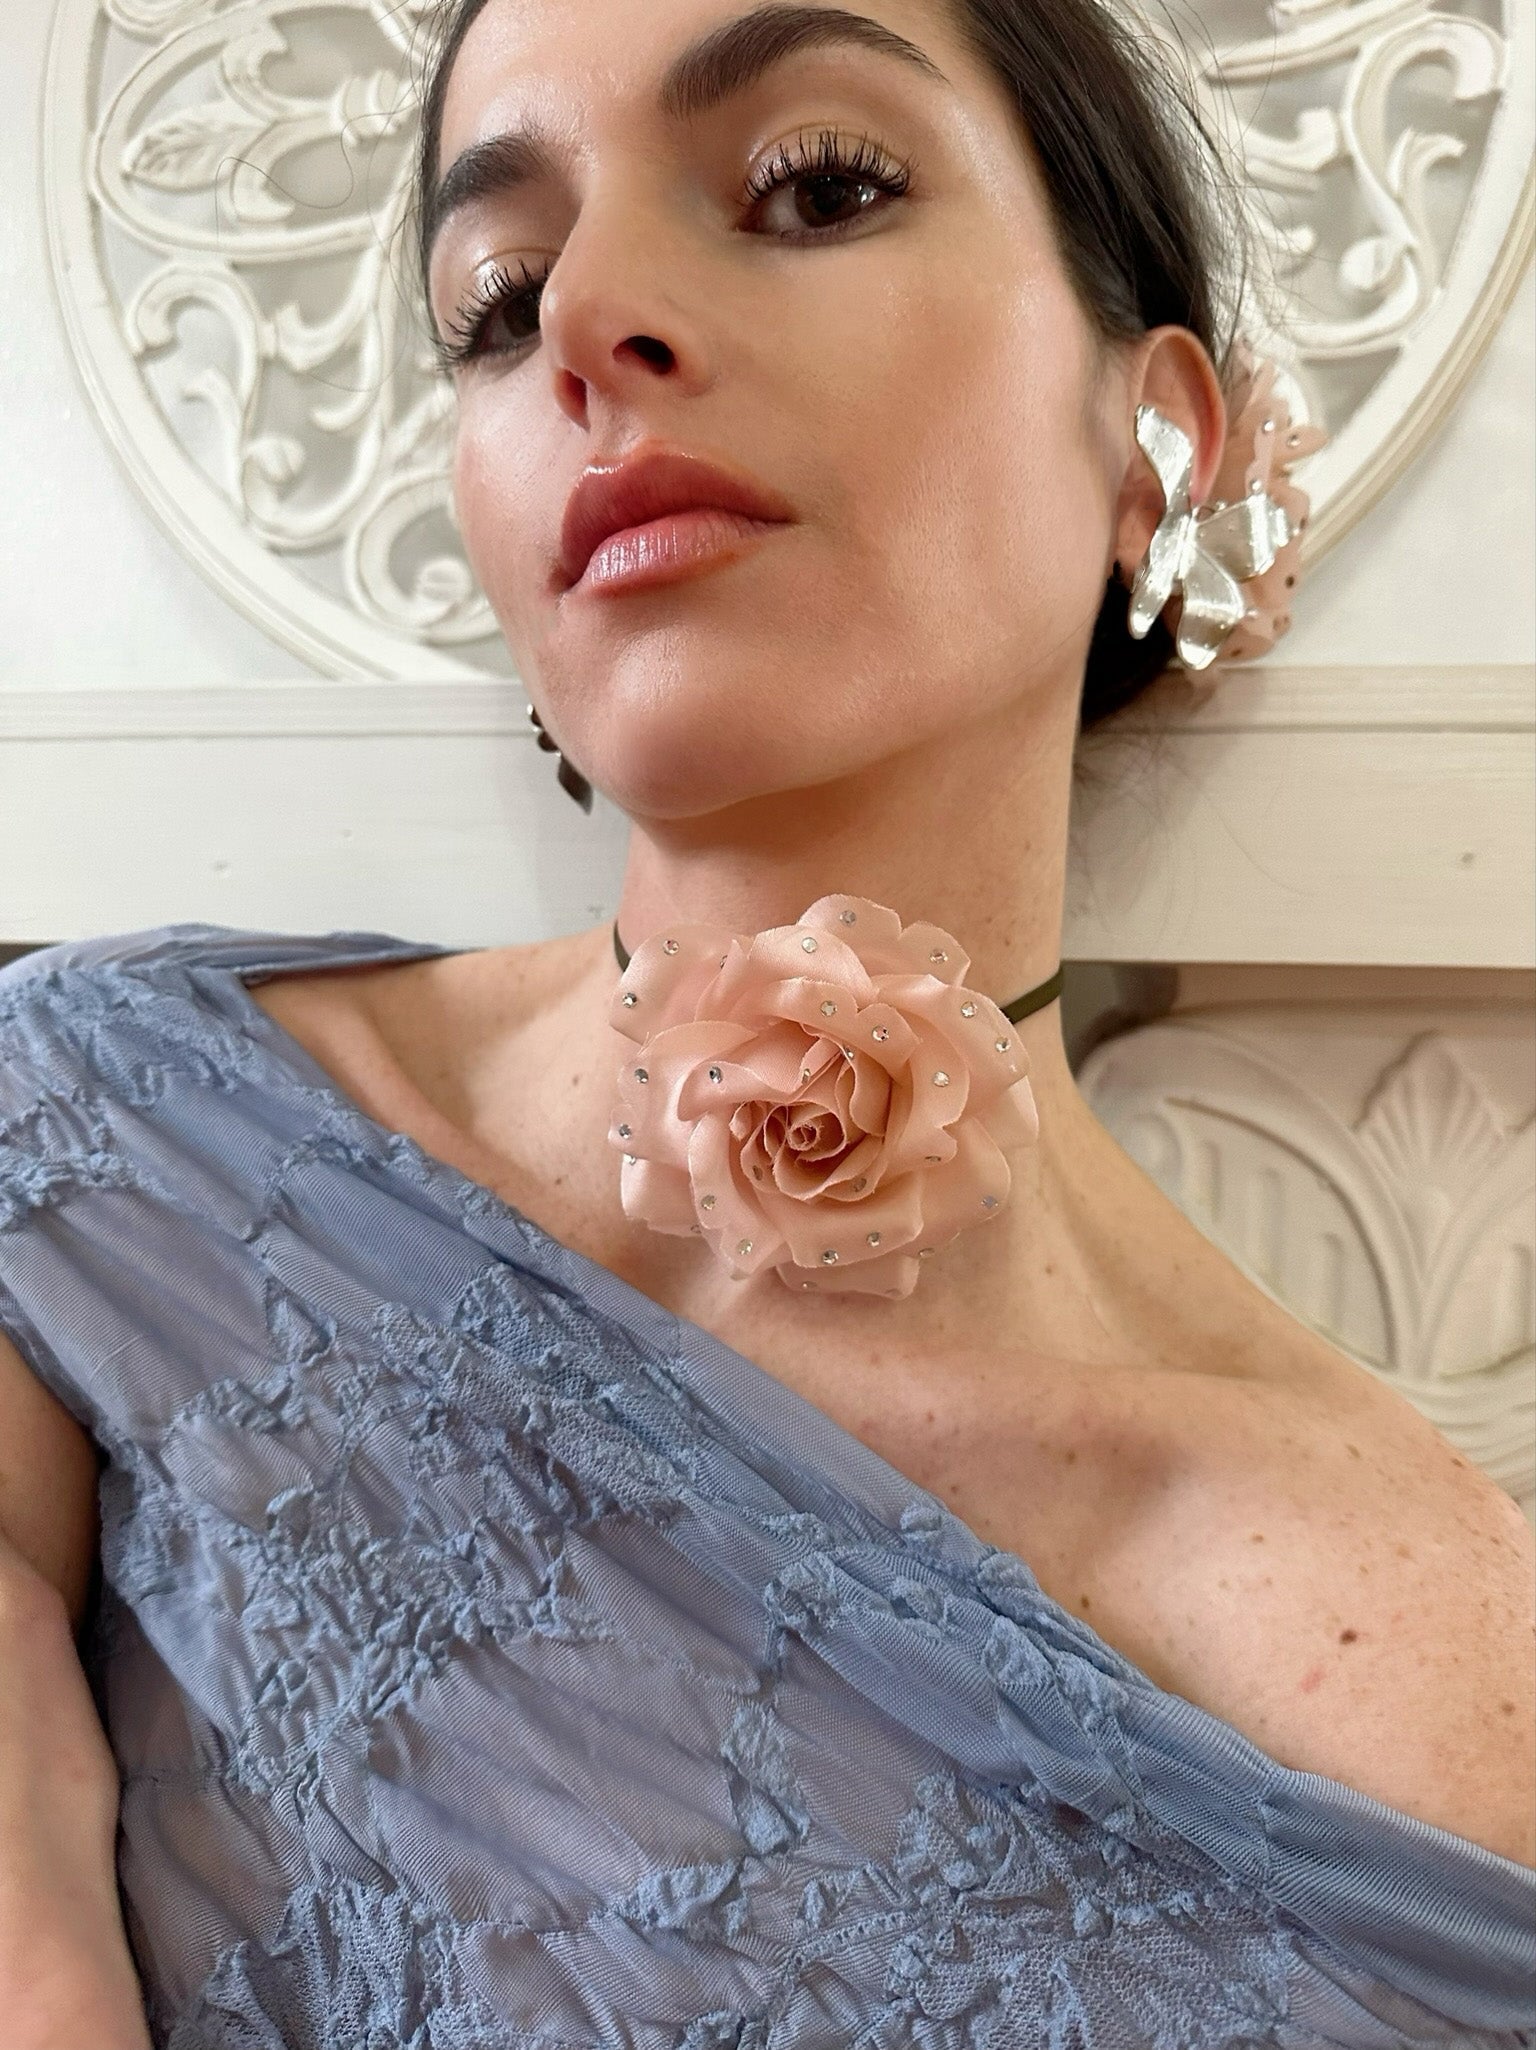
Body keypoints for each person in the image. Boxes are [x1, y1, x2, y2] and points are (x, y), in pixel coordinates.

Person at [1, 0, 1532, 2042]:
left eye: (815, 188)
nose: (586, 319)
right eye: (496, 300)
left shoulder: (1431, 1650)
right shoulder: (101, 1147)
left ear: (1158, 440)